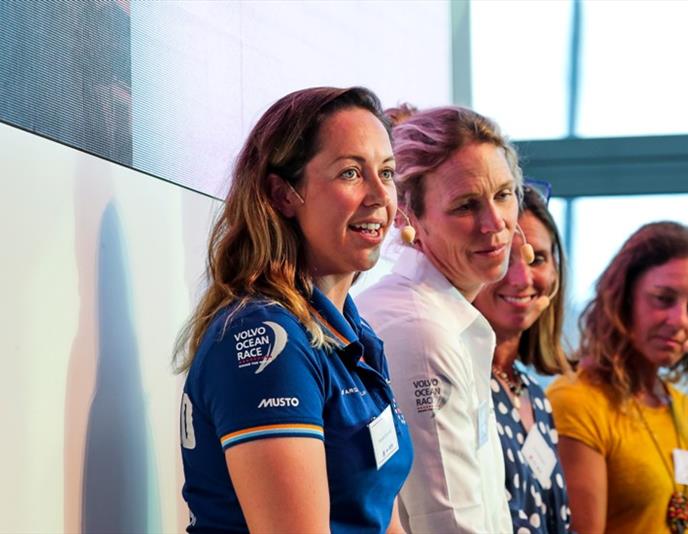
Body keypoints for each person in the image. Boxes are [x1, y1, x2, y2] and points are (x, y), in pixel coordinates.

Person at [173, 86, 413, 533]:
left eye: (387, 172)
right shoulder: (266, 337)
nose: (381, 195)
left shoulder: (355, 336)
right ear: (283, 194)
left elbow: (381, 519)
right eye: (350, 174)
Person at [356, 105, 519, 533]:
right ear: (410, 216)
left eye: (504, 194)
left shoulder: (443, 314)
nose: (495, 223)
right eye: (466, 206)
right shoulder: (423, 331)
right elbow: (448, 522)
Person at [547, 221, 688, 534]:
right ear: (623, 298)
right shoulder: (576, 400)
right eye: (663, 298)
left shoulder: (686, 410)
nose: (679, 320)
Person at [473, 184, 572, 533]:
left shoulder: (534, 395)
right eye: (503, 258)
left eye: (538, 259)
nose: (522, 278)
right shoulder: (459, 383)